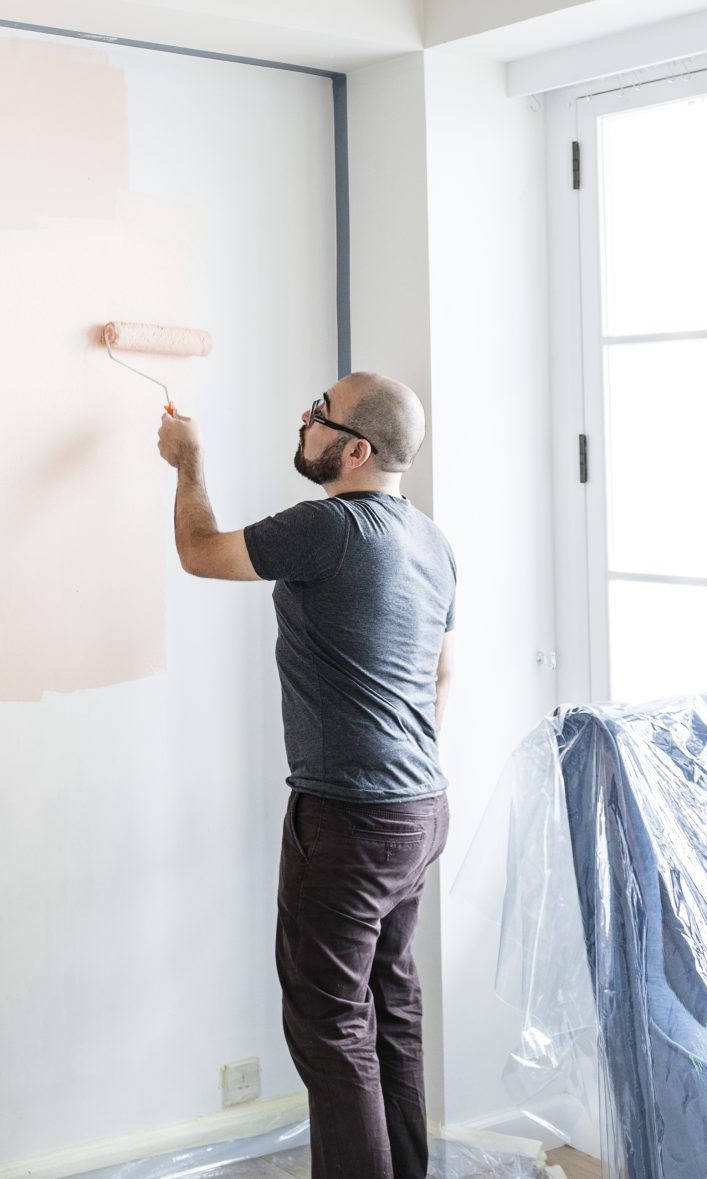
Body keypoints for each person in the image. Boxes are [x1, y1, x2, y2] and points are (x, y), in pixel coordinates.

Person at [156, 374, 456, 1179]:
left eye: (318, 413)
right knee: (389, 1005)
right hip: (420, 808)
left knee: (329, 1025)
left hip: (351, 819)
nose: (304, 417)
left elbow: (199, 552)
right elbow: (440, 675)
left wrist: (188, 462)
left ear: (355, 448)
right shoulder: (429, 538)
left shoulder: (327, 527)